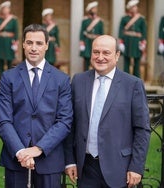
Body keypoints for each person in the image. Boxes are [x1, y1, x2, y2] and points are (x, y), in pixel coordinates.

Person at [64, 35, 151, 188]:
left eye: (106, 53)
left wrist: (136, 167)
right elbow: (70, 125)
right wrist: (70, 161)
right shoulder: (78, 81)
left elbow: (142, 129)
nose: (100, 57)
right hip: (85, 168)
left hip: (120, 169)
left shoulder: (132, 84)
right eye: (96, 52)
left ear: (117, 55)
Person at [0, 24, 73, 188]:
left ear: (46, 45)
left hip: (49, 159)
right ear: (22, 44)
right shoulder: (8, 77)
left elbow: (64, 121)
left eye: (39, 43)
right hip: (16, 159)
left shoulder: (61, 79)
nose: (33, 48)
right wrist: (20, 152)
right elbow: (3, 121)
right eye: (29, 42)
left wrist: (39, 148)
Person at [118, 0, 147, 78]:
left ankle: (136, 79)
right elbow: (121, 30)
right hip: (127, 42)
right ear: (129, 8)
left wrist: (143, 43)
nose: (135, 8)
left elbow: (144, 31)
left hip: (137, 42)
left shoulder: (141, 19)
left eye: (136, 6)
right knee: (126, 61)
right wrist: (120, 42)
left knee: (137, 62)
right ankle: (125, 79)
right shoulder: (124, 18)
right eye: (133, 7)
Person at [0, 1, 19, 79]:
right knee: (1, 61)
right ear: (1, 10)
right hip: (1, 42)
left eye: (7, 8)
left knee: (10, 61)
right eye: (4, 8)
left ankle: (10, 78)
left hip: (9, 42)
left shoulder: (13, 20)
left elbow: (16, 32)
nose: (6, 10)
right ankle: (1, 78)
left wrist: (15, 42)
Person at [79, 1, 104, 71]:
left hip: (96, 42)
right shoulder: (85, 21)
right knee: (86, 60)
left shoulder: (100, 21)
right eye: (94, 8)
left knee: (96, 59)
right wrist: (81, 42)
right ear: (90, 9)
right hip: (87, 42)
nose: (95, 10)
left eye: (96, 8)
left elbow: (102, 33)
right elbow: (82, 32)